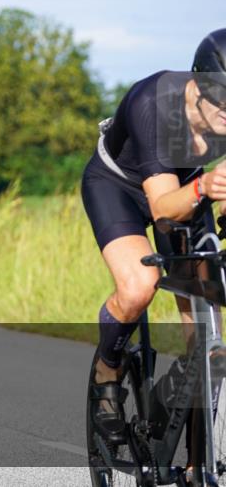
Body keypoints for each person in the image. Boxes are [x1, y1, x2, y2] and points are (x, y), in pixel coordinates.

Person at [83, 28, 226, 443]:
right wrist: (205, 187)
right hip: (118, 187)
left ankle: (197, 462)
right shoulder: (155, 102)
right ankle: (107, 369)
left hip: (188, 188)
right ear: (197, 86)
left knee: (207, 345)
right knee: (139, 287)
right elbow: (163, 207)